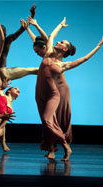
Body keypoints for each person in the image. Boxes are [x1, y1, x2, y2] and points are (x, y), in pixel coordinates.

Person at [30, 17, 103, 161]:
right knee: (46, 124)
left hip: (53, 94)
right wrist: (60, 25)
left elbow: (83, 59)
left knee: (48, 121)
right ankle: (52, 150)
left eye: (62, 42)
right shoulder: (48, 53)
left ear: (65, 49)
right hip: (39, 93)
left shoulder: (63, 65)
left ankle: (65, 146)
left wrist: (98, 46)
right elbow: (51, 36)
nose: (58, 42)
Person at [21, 15, 73, 151]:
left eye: (38, 51)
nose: (37, 54)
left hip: (61, 90)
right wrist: (28, 29)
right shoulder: (47, 54)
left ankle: (56, 144)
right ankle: (51, 147)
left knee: (56, 119)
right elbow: (36, 40)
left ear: (44, 47)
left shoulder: (51, 55)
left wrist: (35, 26)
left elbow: (47, 37)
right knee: (48, 119)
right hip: (50, 89)